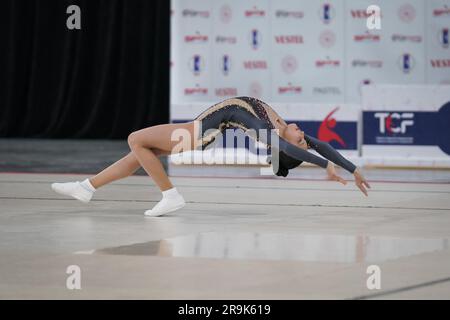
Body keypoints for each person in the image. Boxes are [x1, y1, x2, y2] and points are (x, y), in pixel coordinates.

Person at [51, 96, 370, 217]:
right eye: (303, 136)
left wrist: (325, 167)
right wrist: (351, 168)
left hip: (197, 130)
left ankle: (170, 194)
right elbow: (321, 145)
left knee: (136, 139)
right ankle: (87, 187)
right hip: (201, 131)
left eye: (301, 138)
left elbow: (290, 149)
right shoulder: (282, 125)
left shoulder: (269, 132)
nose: (304, 134)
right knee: (141, 152)